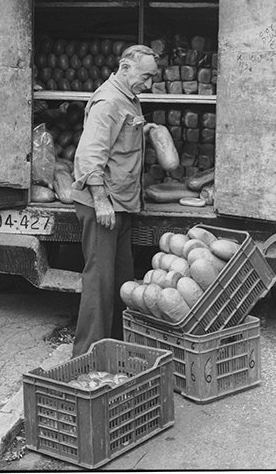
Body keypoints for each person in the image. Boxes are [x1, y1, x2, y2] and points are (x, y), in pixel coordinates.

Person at [70, 44, 159, 357]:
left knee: (122, 281)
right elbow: (89, 155)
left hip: (120, 205)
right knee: (100, 285)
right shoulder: (109, 101)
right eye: (145, 77)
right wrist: (101, 201)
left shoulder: (128, 99)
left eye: (152, 79)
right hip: (102, 207)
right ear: (125, 68)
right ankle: (87, 358)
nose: (148, 85)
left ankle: (118, 349)